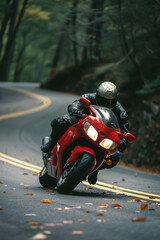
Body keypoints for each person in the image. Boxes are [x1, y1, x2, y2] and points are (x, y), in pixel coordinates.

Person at [41, 81, 129, 184]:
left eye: (110, 102)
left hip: (103, 133)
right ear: (97, 96)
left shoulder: (120, 110)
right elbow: (75, 104)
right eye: (103, 100)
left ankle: (95, 169)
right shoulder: (89, 97)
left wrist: (124, 140)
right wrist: (76, 110)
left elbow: (124, 126)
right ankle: (51, 143)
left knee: (116, 155)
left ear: (115, 100)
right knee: (60, 122)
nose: (106, 104)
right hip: (84, 122)